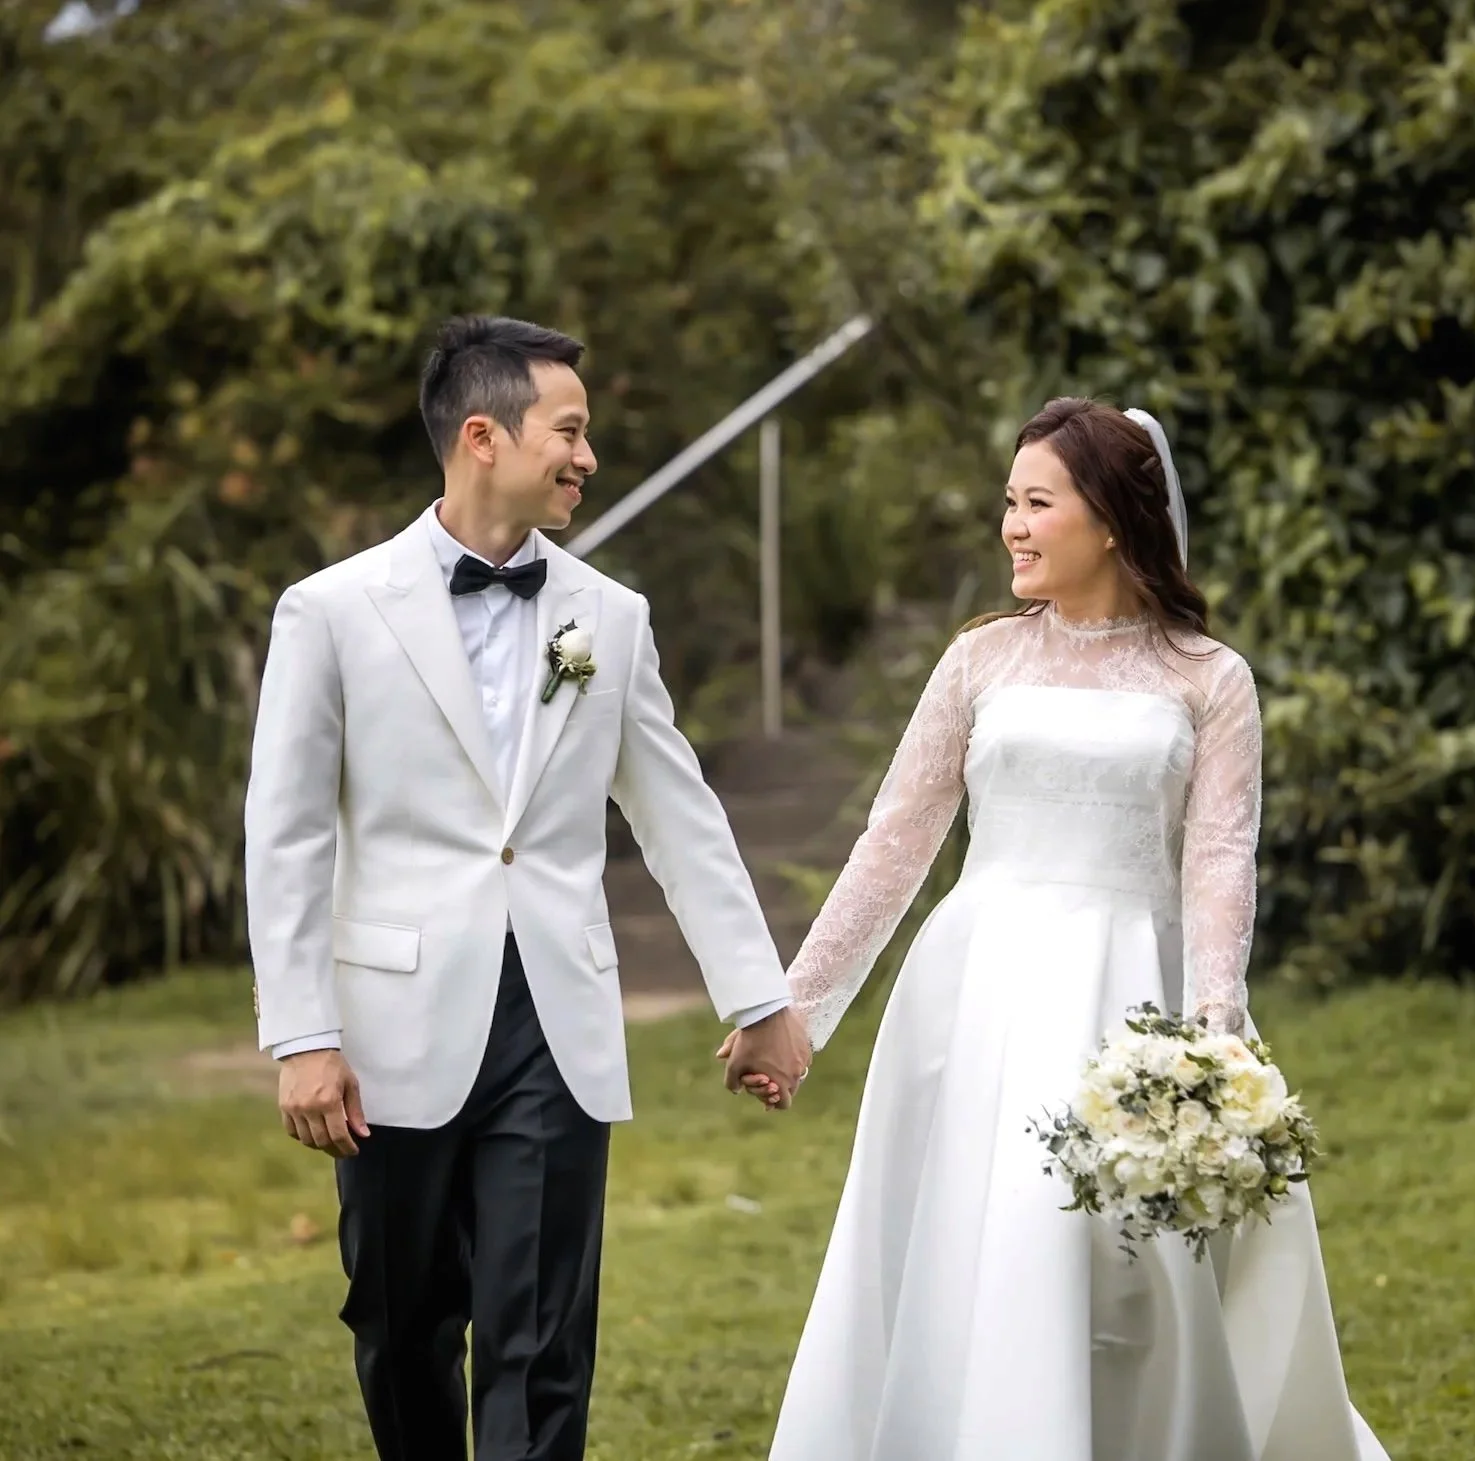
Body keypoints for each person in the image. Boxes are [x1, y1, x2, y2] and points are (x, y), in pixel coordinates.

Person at [751, 398, 1390, 1460]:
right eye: (1007, 502)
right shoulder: (977, 663)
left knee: (1105, 1260)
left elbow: (1221, 858)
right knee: (972, 1243)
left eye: (1035, 503)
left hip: (1128, 995)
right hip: (976, 993)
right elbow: (895, 843)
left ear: (1110, 519)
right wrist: (799, 1010)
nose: (1010, 524)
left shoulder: (1207, 679)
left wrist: (1213, 1039)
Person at [243, 314, 812, 1461]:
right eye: (570, 431)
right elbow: (289, 833)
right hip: (390, 1027)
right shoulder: (332, 611)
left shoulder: (610, 619)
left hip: (555, 1021)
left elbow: (679, 815)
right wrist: (302, 1034)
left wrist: (758, 997)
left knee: (542, 1337)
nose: (588, 458)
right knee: (401, 1322)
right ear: (482, 436)